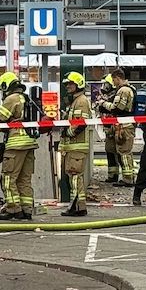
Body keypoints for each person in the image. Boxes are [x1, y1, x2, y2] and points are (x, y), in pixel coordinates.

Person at [0, 72, 37, 220]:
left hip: (15, 144)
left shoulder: (11, 99)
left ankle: (13, 209)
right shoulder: (26, 98)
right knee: (24, 179)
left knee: (8, 178)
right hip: (30, 143)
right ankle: (26, 209)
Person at [60, 72, 92, 217]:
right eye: (67, 84)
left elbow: (81, 124)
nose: (68, 86)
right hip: (72, 147)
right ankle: (77, 206)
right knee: (73, 177)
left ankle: (78, 207)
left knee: (75, 177)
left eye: (70, 84)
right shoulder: (75, 101)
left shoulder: (81, 101)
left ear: (78, 84)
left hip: (77, 146)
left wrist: (68, 133)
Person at [96, 69, 136, 187]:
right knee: (112, 150)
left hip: (124, 126)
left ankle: (128, 179)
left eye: (113, 80)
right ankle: (113, 176)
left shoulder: (124, 90)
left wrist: (103, 103)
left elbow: (117, 108)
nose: (113, 83)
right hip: (118, 126)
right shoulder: (122, 90)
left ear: (118, 78)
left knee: (124, 152)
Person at [97, 75, 119, 185]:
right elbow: (101, 109)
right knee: (110, 151)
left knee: (118, 152)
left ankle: (124, 176)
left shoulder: (115, 95)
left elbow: (113, 108)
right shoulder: (107, 96)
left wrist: (103, 103)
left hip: (116, 128)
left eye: (106, 84)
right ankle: (112, 175)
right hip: (109, 128)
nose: (104, 86)